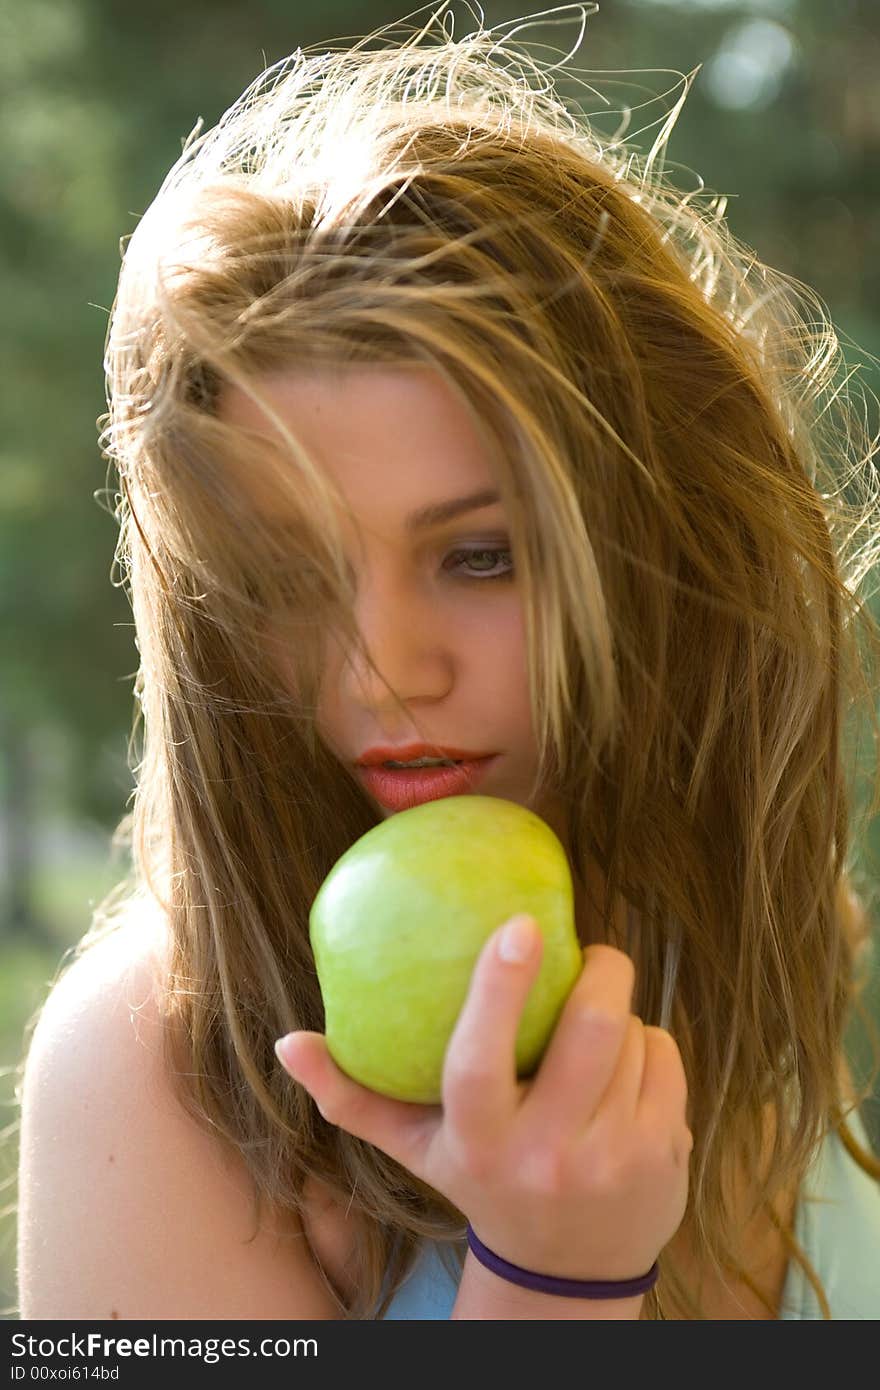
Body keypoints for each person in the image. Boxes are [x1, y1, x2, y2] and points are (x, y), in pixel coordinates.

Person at [15, 3, 880, 1320]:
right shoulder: (149, 1072)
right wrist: (550, 1279)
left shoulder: (774, 922)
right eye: (287, 580)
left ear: (663, 550)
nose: (383, 671)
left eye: (481, 556)